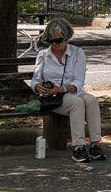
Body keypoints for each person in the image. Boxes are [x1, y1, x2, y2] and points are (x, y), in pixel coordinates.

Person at [34, 17, 106, 162]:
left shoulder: (77, 53)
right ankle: (78, 147)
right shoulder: (43, 55)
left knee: (91, 100)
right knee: (76, 103)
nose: (55, 44)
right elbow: (35, 79)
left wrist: (61, 89)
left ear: (66, 38)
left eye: (58, 40)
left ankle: (95, 144)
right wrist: (37, 86)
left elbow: (79, 81)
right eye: (51, 41)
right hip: (52, 98)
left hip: (70, 91)